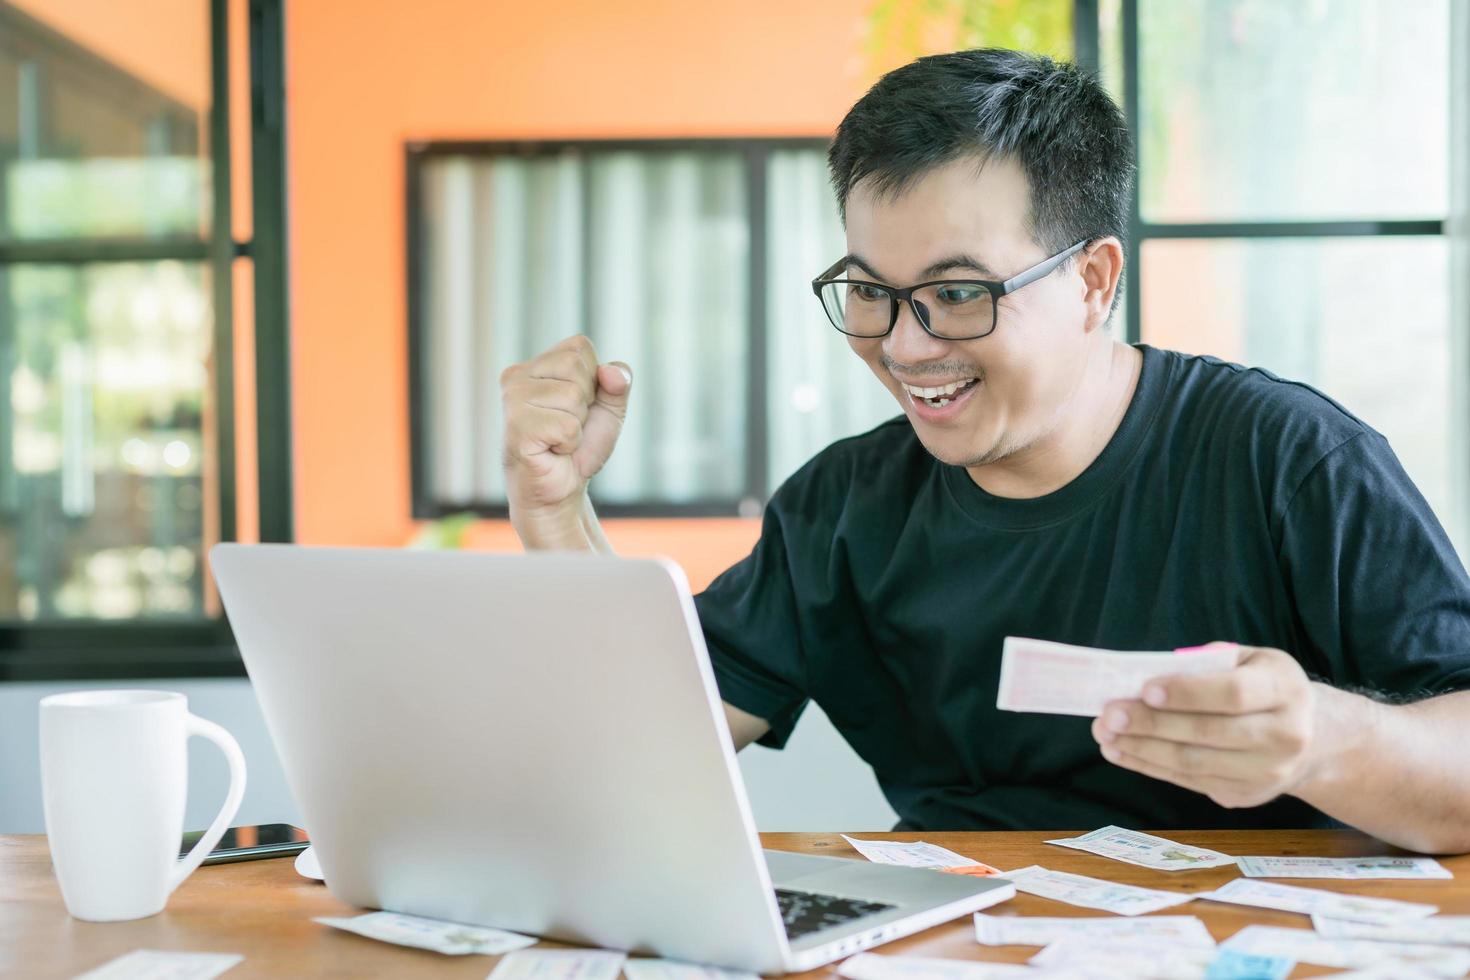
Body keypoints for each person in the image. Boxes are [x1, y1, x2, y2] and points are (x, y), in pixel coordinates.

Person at [498, 48, 1470, 852]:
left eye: (960, 292)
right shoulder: (844, 507)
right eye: (871, 290)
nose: (906, 344)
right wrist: (557, 518)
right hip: (945, 941)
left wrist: (1319, 740)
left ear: (1093, 280)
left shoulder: (1290, 462)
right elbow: (652, 747)